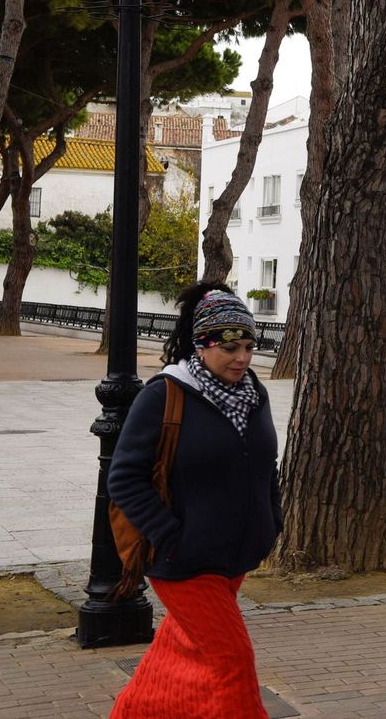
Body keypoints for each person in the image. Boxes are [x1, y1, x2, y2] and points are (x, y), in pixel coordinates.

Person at [108, 283, 281, 719]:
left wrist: (271, 520)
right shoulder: (164, 394)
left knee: (180, 653)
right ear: (202, 346)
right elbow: (125, 478)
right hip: (183, 563)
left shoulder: (252, 394)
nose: (242, 357)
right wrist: (171, 538)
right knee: (232, 662)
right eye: (230, 348)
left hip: (235, 557)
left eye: (248, 346)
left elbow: (266, 464)